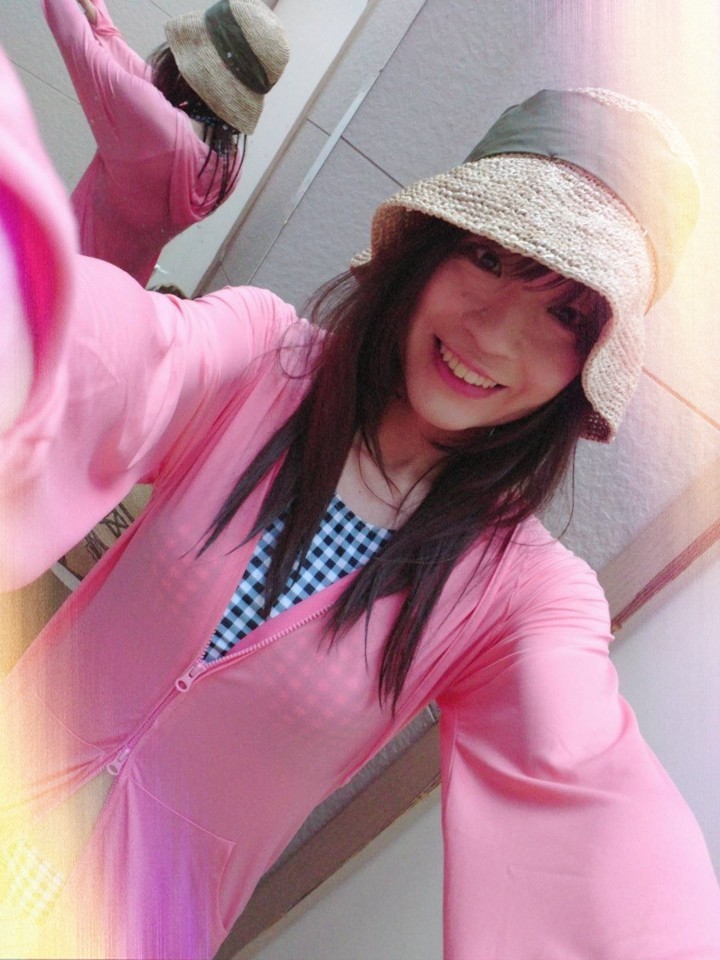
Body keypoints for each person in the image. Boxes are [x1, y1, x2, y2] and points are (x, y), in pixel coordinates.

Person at [0, 44, 719, 959]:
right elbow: (77, 365)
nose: (495, 333)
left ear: (590, 361)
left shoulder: (522, 598)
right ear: (429, 245)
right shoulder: (262, 362)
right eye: (488, 255)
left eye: (566, 312)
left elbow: (593, 819)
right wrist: (122, 215)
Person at [42, 0, 289, 287]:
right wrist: (99, 20)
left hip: (58, 274)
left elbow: (75, 41)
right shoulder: (228, 169)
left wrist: (97, 25)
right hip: (115, 296)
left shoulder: (155, 125)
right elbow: (138, 81)